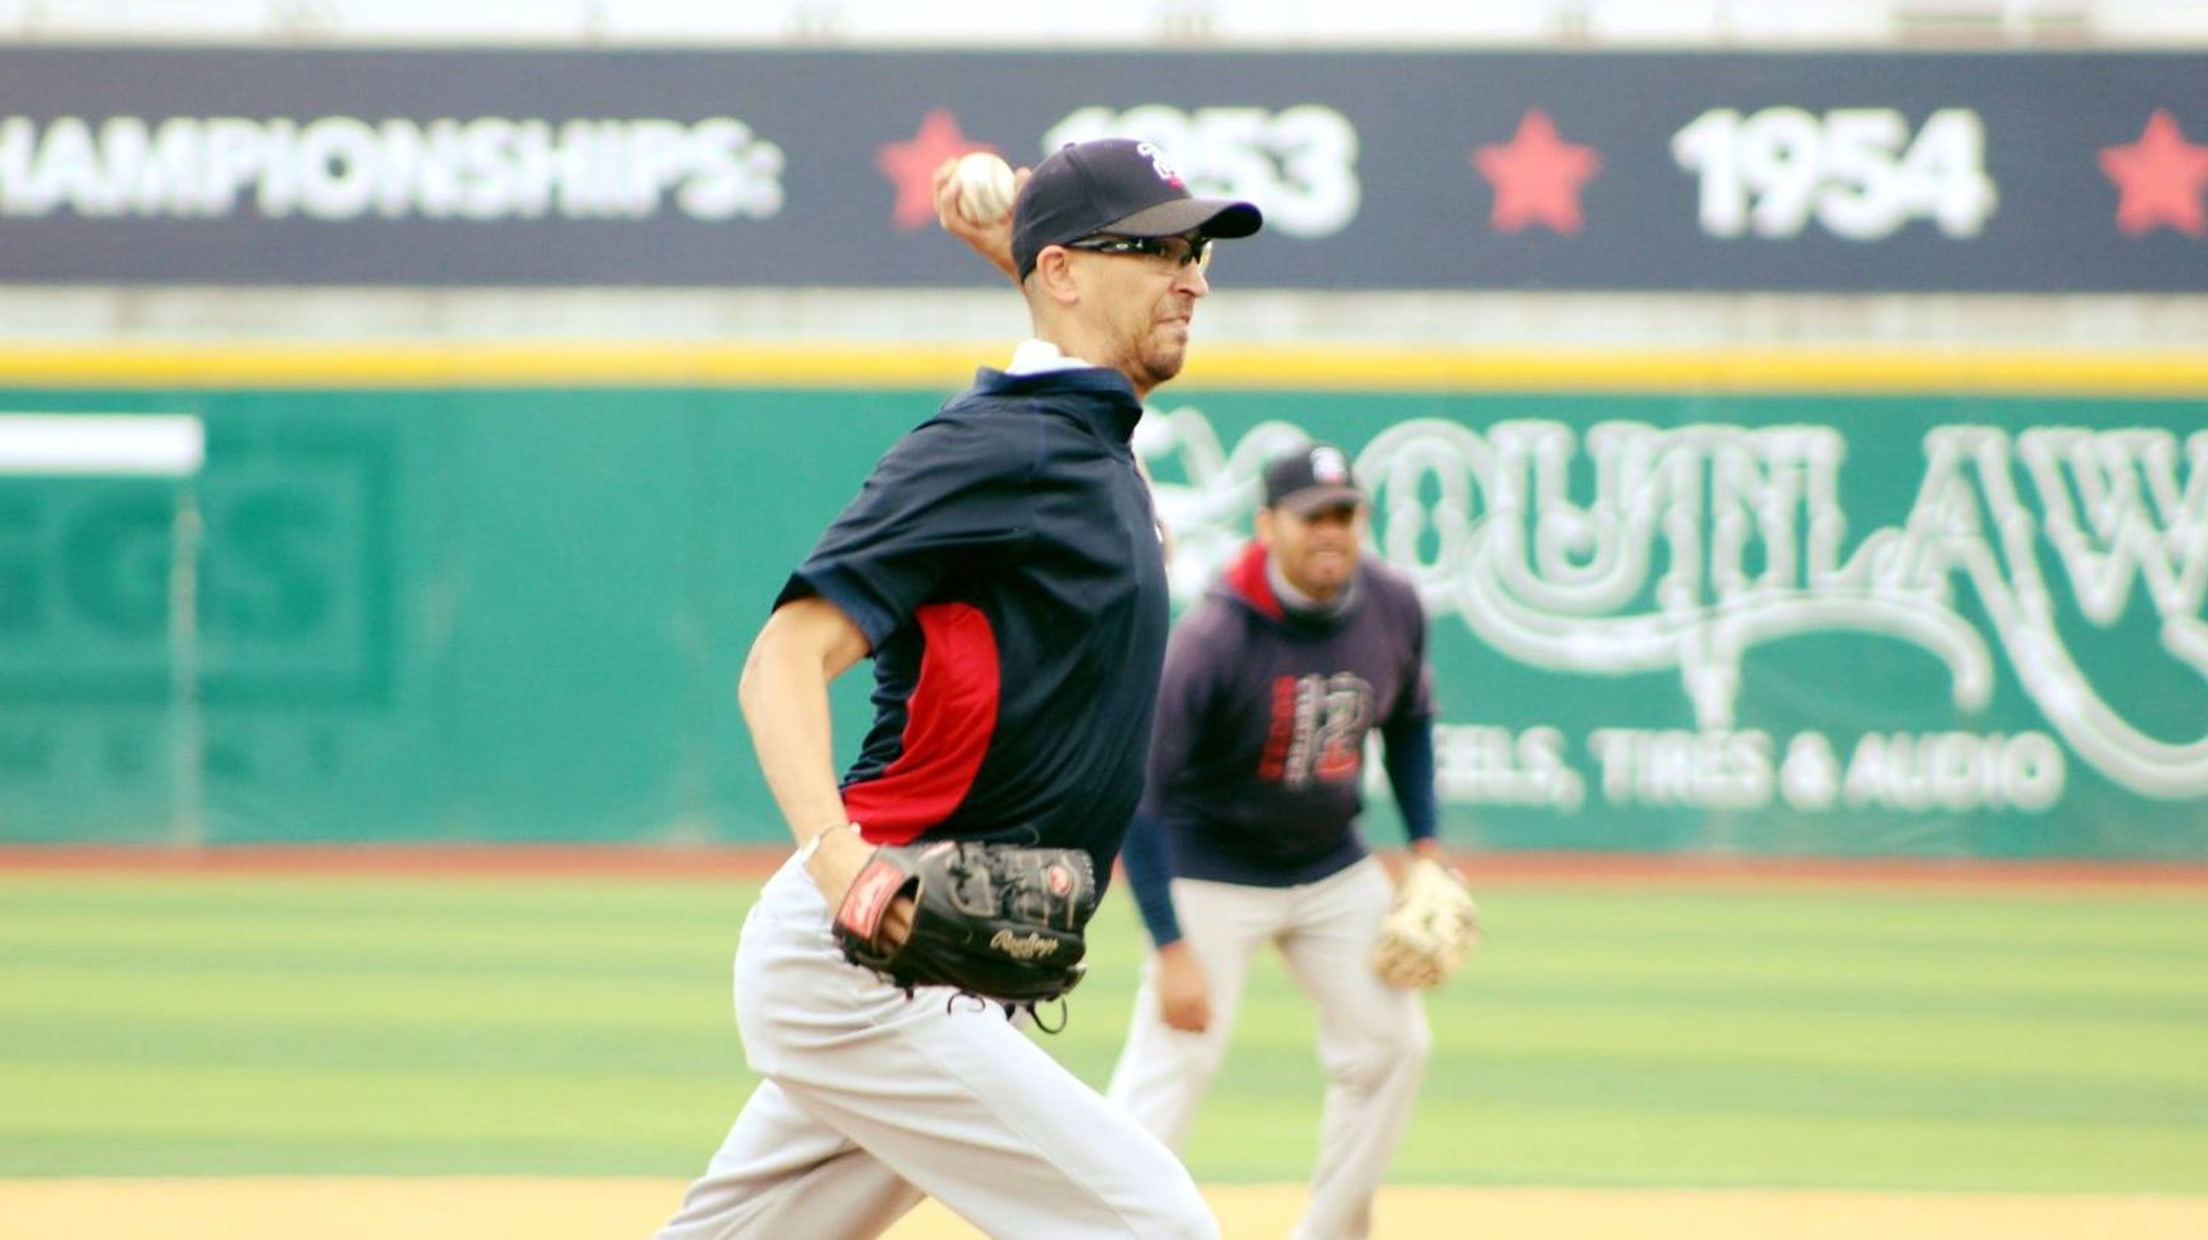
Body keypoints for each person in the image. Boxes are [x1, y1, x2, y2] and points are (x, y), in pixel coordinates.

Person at [651, 137, 1261, 1240]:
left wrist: (1022, 258)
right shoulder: (996, 447)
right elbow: (780, 660)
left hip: (947, 957)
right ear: (1067, 271)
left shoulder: (1089, 444)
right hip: (868, 950)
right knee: (1158, 1227)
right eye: (1160, 250)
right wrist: (841, 867)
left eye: (1197, 254)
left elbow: (1084, 383)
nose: (1193, 280)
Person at [1105, 442, 1446, 1240]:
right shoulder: (1215, 637)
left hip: (1330, 862)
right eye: (1311, 516)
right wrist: (1171, 948)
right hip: (1212, 872)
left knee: (1393, 1047)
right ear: (1267, 526)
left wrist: (1426, 849)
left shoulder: (1392, 604)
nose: (1331, 531)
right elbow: (1139, 797)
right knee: (1171, 1068)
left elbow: (1409, 722)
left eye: (1345, 514)